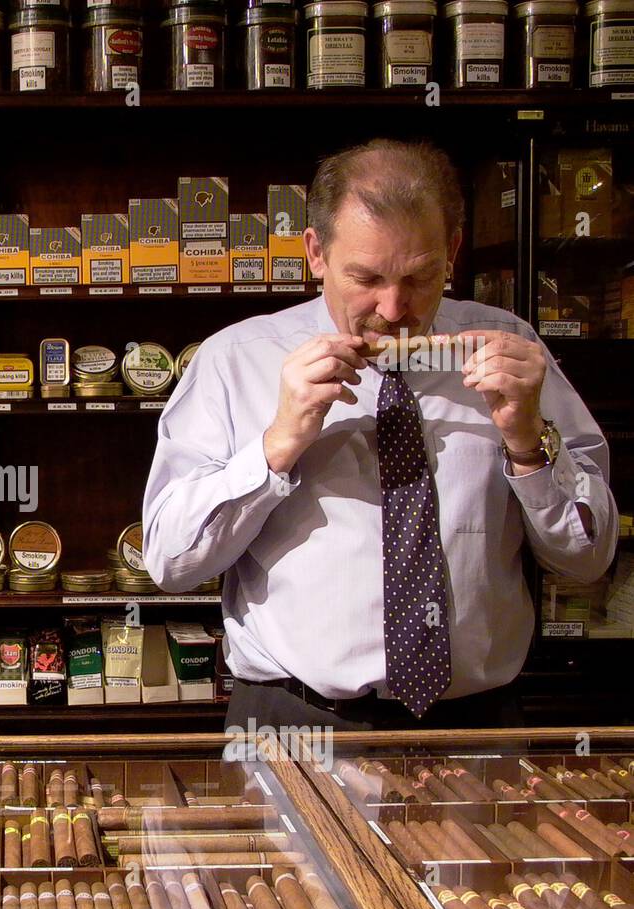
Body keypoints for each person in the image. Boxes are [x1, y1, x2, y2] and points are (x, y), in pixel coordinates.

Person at [142, 139, 619, 730]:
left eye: (419, 277)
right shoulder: (235, 360)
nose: (394, 308)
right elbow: (169, 561)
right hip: (295, 724)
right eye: (365, 277)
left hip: (477, 727)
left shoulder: (511, 351)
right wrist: (277, 444)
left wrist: (529, 444)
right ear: (316, 253)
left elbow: (588, 559)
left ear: (452, 251)